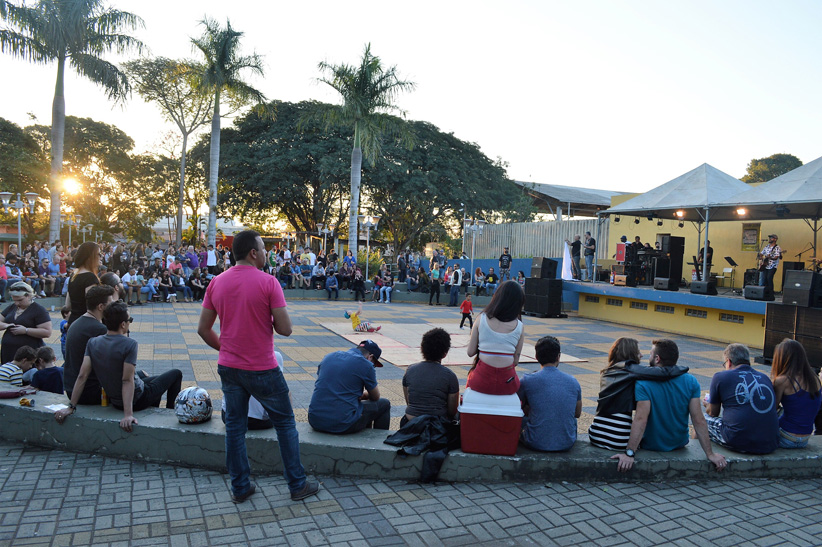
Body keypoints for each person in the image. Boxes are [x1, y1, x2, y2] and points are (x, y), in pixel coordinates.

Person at [197, 229, 318, 503]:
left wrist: (226, 348)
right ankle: (297, 485)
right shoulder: (268, 282)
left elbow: (203, 329)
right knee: (286, 423)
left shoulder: (216, 282)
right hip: (262, 368)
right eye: (263, 249)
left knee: (235, 428)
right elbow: (285, 330)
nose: (266, 253)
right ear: (253, 252)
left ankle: (240, 488)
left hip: (229, 366)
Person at [56, 302, 183, 433]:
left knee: (152, 379)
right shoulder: (130, 344)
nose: (130, 323)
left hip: (115, 399)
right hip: (137, 399)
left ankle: (153, 408)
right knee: (176, 374)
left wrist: (71, 406)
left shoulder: (93, 342)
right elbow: (127, 380)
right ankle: (170, 413)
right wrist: (128, 415)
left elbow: (82, 375)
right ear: (123, 324)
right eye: (130, 320)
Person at [611, 339, 726, 473]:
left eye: (650, 354)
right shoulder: (690, 381)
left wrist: (629, 453)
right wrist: (710, 454)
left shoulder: (643, 383)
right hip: (679, 443)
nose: (648, 357)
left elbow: (641, 419)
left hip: (650, 445)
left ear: (657, 358)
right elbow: (698, 419)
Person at [588, 337, 688, 450]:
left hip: (595, 434)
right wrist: (683, 369)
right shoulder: (630, 369)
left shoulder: (607, 372)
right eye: (638, 352)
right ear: (631, 353)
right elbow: (663, 372)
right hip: (618, 438)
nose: (641, 355)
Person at [704, 343, 779, 454]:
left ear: (728, 362)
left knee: (701, 421)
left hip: (737, 440)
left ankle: (699, 453)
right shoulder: (764, 377)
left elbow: (712, 413)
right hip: (770, 443)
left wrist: (708, 404)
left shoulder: (720, 376)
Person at [308, 340, 391, 433]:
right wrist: (365, 395)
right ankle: (380, 443)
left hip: (315, 420)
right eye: (374, 364)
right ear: (370, 357)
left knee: (361, 408)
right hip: (341, 423)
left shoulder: (329, 356)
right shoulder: (366, 364)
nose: (373, 367)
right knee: (384, 404)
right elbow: (375, 397)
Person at [518, 336, 581, 452]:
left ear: (536, 357)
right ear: (558, 356)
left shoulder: (527, 380)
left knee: (521, 418)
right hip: (567, 443)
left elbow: (516, 405)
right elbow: (577, 413)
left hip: (534, 442)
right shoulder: (573, 381)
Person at [466, 281, 525, 396]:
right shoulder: (520, 326)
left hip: (480, 381)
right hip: (508, 383)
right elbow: (515, 361)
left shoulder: (481, 319)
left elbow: (470, 352)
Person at [61, 285, 117, 405]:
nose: (113, 306)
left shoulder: (77, 323)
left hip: (72, 388)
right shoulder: (99, 329)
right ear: (101, 307)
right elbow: (113, 365)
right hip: (90, 392)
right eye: (111, 303)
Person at [402, 328, 459, 426]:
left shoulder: (410, 370)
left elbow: (409, 402)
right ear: (445, 354)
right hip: (437, 427)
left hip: (410, 424)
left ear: (422, 348)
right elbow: (452, 411)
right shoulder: (450, 376)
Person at [770, 339, 822, 447]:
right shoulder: (815, 378)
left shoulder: (782, 381)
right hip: (805, 439)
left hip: (786, 437)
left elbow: (771, 410)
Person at [0, 282, 52, 363]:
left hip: (28, 355)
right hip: (9, 352)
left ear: (28, 296)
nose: (17, 303)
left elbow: (47, 332)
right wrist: (6, 325)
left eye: (20, 300)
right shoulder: (12, 307)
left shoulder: (39, 310)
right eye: (14, 300)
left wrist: (26, 330)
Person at [66, 242, 101, 326]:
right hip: (86, 324)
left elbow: (67, 305)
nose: (101, 257)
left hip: (73, 321)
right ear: (90, 257)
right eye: (98, 254)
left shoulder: (73, 275)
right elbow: (92, 307)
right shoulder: (90, 277)